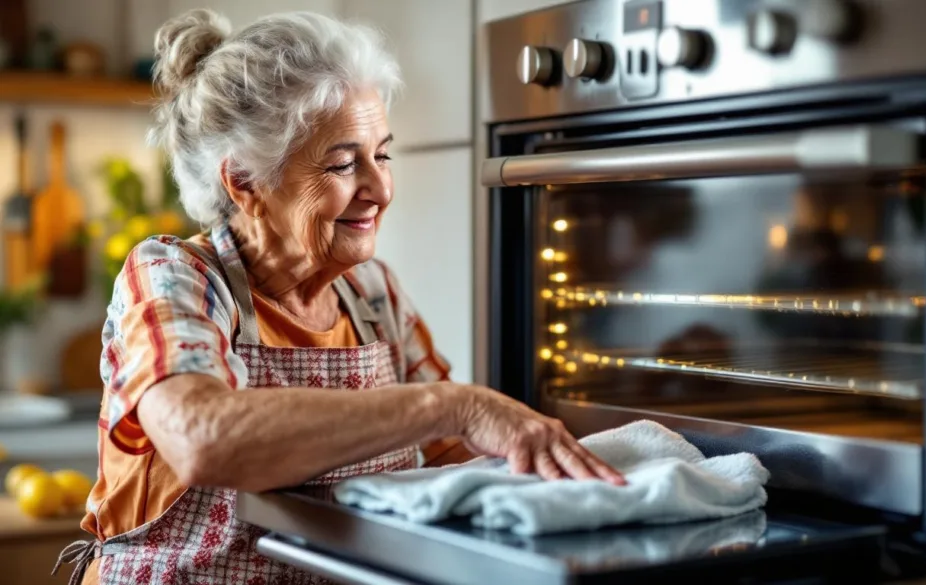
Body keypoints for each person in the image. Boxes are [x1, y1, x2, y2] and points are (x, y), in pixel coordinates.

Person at [54, 9, 624, 585]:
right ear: (245, 182)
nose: (379, 189)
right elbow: (202, 439)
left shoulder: (372, 295)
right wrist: (454, 403)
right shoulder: (177, 276)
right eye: (343, 164)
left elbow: (461, 458)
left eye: (382, 154)